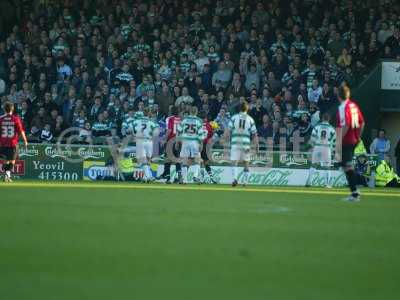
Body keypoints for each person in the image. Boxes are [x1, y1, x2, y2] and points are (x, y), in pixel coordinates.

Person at [336, 85, 365, 201]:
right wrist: (358, 137)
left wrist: (338, 140)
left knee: (347, 166)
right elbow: (362, 123)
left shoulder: (343, 107)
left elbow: (346, 125)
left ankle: (355, 193)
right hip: (353, 140)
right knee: (345, 166)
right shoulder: (354, 105)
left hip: (346, 141)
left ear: (338, 95)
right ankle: (354, 192)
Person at [225, 101, 259, 187]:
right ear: (247, 109)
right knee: (246, 163)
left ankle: (235, 179)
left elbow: (228, 131)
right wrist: (257, 145)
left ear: (239, 108)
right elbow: (254, 134)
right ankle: (245, 183)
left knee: (234, 162)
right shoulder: (250, 119)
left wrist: (227, 141)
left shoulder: (234, 118)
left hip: (235, 142)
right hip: (246, 143)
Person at [0, 102, 29, 182]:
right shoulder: (15, 119)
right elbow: (21, 131)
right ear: (12, 109)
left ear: (4, 109)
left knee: (6, 161)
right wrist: (25, 141)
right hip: (13, 143)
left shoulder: (1, 119)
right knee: (12, 160)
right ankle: (7, 175)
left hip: (2, 144)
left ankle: (7, 175)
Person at [306, 113, 336, 188]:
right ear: (329, 119)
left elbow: (312, 138)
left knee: (314, 164)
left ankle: (308, 182)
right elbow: (334, 140)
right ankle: (327, 184)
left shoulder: (317, 127)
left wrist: (313, 146)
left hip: (317, 146)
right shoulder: (332, 128)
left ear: (322, 119)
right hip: (326, 147)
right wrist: (332, 149)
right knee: (327, 166)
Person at [177, 106, 206, 184]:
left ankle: (184, 179)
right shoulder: (199, 120)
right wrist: (201, 144)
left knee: (184, 160)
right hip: (194, 142)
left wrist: (177, 141)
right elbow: (200, 134)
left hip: (185, 141)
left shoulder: (184, 119)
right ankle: (195, 176)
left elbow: (178, 130)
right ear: (196, 112)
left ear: (190, 112)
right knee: (197, 160)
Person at [132, 108, 159, 183]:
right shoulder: (152, 122)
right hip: (149, 142)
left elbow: (132, 129)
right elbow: (156, 133)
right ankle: (147, 177)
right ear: (149, 113)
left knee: (143, 160)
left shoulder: (137, 121)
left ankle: (148, 176)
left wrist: (135, 135)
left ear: (143, 113)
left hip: (140, 141)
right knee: (147, 160)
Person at [159, 106, 182, 183]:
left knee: (167, 158)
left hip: (171, 140)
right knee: (177, 158)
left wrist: (164, 139)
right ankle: (179, 176)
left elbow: (169, 130)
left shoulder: (169, 118)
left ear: (171, 111)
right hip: (178, 140)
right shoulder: (180, 119)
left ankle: (168, 177)